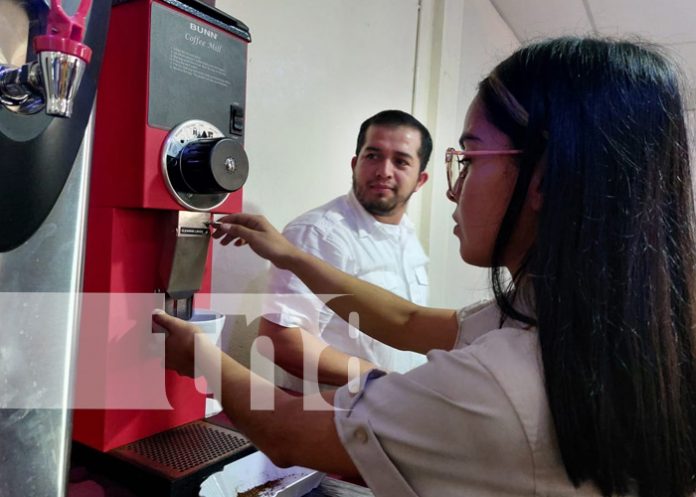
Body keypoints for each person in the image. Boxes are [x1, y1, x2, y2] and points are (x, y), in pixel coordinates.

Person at [155, 37, 696, 497]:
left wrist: (200, 353)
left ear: (545, 178)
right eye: (372, 154)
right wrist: (295, 256)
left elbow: (291, 431)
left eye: (470, 160)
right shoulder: (602, 324)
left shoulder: (500, 381)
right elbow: (410, 321)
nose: (457, 189)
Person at [258, 110, 431, 391]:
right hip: (331, 420)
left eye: (400, 161)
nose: (384, 171)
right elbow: (281, 342)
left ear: (420, 180)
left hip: (394, 415)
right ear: (355, 164)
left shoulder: (408, 235)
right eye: (372, 155)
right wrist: (385, 381)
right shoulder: (319, 234)